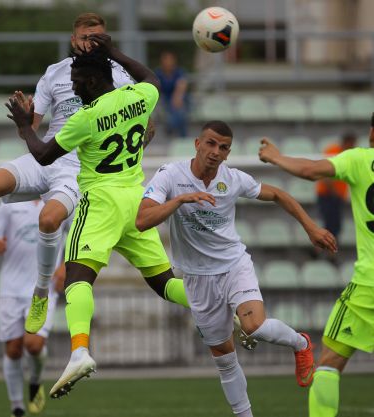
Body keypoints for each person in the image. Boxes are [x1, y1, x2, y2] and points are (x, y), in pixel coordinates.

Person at [6, 33, 197, 399]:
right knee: (164, 283)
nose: (74, 87)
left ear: (92, 81)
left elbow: (43, 156)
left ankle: (79, 352)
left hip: (100, 203)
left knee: (76, 277)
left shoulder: (86, 117)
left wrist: (24, 127)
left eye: (78, 81)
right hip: (135, 199)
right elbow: (151, 78)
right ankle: (220, 308)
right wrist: (113, 52)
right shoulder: (139, 97)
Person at [0, 13, 144, 334]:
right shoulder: (55, 73)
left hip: (79, 167)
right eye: (85, 37)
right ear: (73, 40)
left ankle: (41, 292)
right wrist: (25, 118)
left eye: (98, 38)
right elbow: (32, 127)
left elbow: (143, 123)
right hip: (47, 154)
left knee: (48, 221)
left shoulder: (120, 76)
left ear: (106, 41)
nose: (91, 43)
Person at [136, 120, 338, 417]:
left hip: (233, 265)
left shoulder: (233, 179)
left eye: (223, 147)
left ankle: (300, 343)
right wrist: (180, 200)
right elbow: (142, 220)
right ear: (197, 144)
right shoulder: (170, 175)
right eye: (210, 143)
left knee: (254, 326)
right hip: (197, 277)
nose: (215, 152)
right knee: (224, 359)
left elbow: (278, 194)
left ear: (228, 153)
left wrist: (311, 228)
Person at [258, 114, 374, 417]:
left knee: (329, 364)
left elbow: (310, 170)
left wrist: (275, 156)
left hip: (369, 286)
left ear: (372, 133)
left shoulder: (360, 159)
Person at [0, 200, 63, 417]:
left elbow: (80, 231)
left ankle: (35, 380)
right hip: (11, 288)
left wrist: (66, 265)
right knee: (13, 350)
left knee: (33, 344)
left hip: (43, 287)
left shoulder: (60, 199)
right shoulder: (9, 203)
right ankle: (17, 407)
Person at [315, 131, 356, 262]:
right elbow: (326, 175)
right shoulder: (333, 151)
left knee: (334, 226)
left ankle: (322, 252)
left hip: (335, 197)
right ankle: (326, 253)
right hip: (328, 195)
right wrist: (335, 193)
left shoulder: (347, 155)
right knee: (331, 225)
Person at [154, 51, 189, 138]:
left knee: (179, 113)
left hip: (177, 97)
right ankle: (174, 130)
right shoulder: (158, 73)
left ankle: (175, 131)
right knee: (173, 114)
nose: (168, 62)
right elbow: (156, 88)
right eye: (166, 60)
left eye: (170, 60)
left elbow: (181, 86)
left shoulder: (179, 72)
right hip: (164, 98)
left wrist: (177, 98)